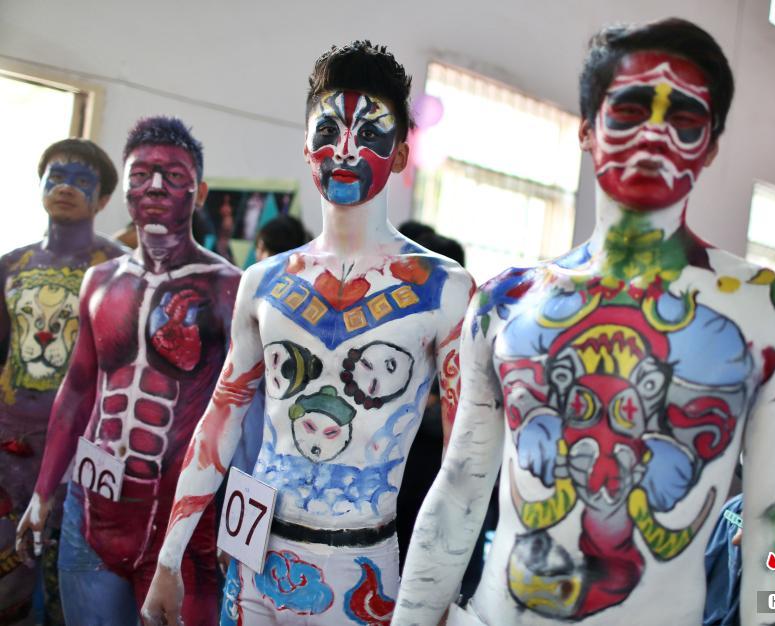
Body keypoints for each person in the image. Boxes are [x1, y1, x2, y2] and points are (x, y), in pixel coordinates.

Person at [393, 18, 775, 625]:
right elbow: (458, 489)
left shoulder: (770, 315)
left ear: (711, 146)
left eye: (684, 120)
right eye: (630, 111)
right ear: (587, 129)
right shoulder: (505, 301)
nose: (654, 137)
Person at [142, 40, 474, 625]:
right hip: (252, 557)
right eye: (328, 130)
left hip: (361, 570)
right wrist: (169, 558)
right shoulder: (263, 282)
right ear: (305, 147)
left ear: (400, 154)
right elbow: (221, 418)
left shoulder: (445, 288)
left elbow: (462, 463)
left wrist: (438, 592)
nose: (344, 149)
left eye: (369, 134)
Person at [15, 117, 241, 625]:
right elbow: (77, 390)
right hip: (92, 510)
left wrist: (241, 527)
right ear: (126, 190)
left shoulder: (230, 287)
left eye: (173, 175)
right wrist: (44, 491)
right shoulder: (99, 281)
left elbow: (246, 412)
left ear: (200, 192)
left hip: (184, 522)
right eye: (140, 175)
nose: (155, 186)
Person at [0, 138, 126, 625]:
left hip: (84, 447)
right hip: (10, 442)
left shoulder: (120, 269)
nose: (65, 187)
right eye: (56, 177)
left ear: (103, 198)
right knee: (7, 577)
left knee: (68, 580)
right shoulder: (11, 266)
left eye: (81, 180)